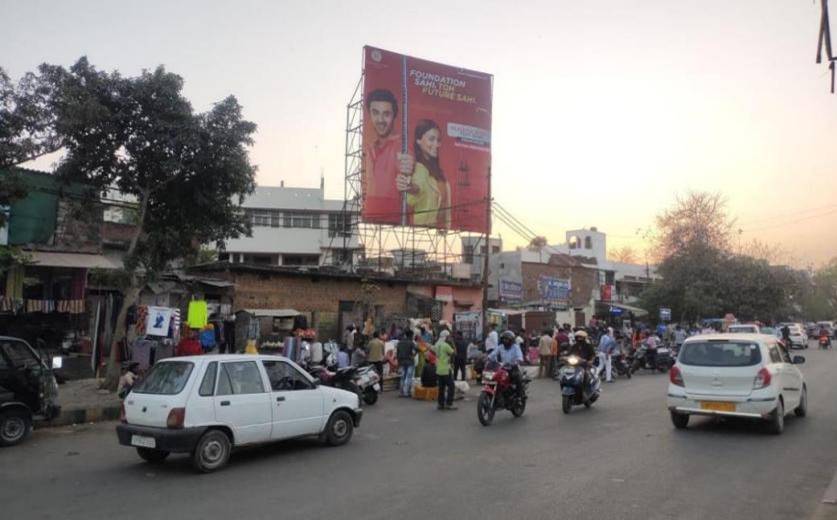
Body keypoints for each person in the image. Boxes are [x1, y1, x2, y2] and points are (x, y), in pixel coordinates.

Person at [364, 88, 415, 221]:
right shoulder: (368, 149)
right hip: (370, 217)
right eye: (375, 113)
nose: (380, 120)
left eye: (386, 114)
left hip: (394, 223)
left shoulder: (401, 147)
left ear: (394, 116)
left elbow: (413, 183)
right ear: (369, 114)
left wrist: (409, 183)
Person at [397, 119, 451, 228]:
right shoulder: (418, 169)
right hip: (424, 234)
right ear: (419, 140)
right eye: (431, 139)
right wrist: (409, 187)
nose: (436, 144)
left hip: (442, 235)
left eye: (438, 140)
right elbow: (417, 189)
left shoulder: (438, 173)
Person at [433, 330, 457, 410]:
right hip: (446, 369)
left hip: (438, 369)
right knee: (451, 386)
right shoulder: (445, 345)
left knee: (441, 387)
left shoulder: (437, 344)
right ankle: (449, 404)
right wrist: (452, 343)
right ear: (446, 337)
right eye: (448, 337)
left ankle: (440, 404)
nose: (449, 338)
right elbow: (454, 353)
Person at [396, 330, 418, 397]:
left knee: (402, 377)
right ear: (411, 335)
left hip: (401, 361)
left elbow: (397, 353)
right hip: (410, 361)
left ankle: (401, 392)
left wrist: (398, 361)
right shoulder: (411, 343)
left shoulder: (399, 343)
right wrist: (413, 355)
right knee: (409, 377)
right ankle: (407, 392)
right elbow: (415, 350)